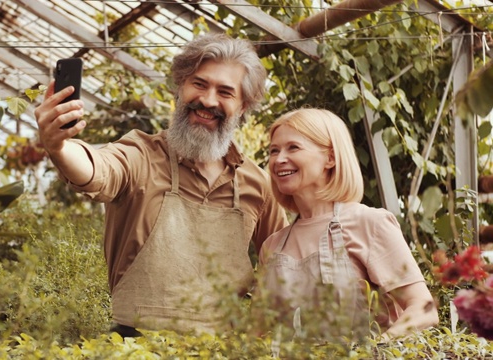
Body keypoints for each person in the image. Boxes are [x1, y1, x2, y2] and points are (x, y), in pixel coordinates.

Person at [34, 33, 287, 337]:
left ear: (243, 106)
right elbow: (96, 169)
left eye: (225, 92)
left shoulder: (257, 184)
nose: (208, 100)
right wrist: (59, 147)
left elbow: (282, 267)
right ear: (180, 87)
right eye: (199, 84)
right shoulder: (141, 155)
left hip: (222, 351)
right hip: (135, 348)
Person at [258, 108, 438, 342]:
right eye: (274, 150)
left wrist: (375, 350)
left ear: (330, 158)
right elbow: (259, 333)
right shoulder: (272, 246)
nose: (279, 159)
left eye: (293, 147)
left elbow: (423, 309)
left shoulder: (370, 224)